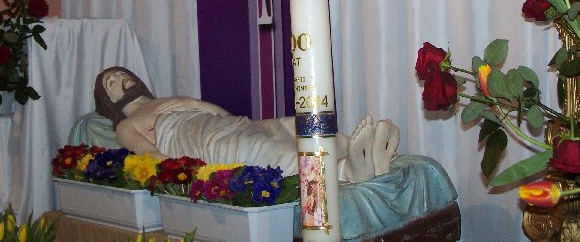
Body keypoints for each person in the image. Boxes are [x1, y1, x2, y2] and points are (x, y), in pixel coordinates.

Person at [94, 66, 400, 182]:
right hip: (197, 140)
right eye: (111, 82)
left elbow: (212, 110)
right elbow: (150, 154)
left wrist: (201, 109)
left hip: (222, 124)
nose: (119, 78)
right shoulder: (127, 124)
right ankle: (345, 172)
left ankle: (357, 153)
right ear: (109, 101)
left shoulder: (169, 98)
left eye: (121, 74)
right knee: (265, 149)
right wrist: (186, 175)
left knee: (288, 127)